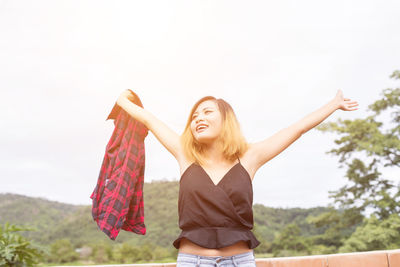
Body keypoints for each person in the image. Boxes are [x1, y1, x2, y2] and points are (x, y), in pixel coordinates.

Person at [116, 89, 358, 267]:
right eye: (194, 116)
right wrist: (122, 101)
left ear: (225, 119)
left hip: (239, 261)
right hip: (192, 261)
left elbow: (297, 129)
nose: (198, 118)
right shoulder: (184, 153)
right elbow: (149, 120)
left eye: (207, 112)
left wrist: (333, 104)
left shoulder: (250, 157)